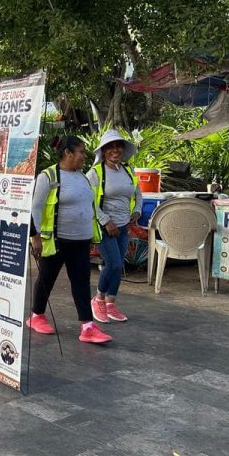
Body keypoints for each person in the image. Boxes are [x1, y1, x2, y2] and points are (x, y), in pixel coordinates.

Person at [28, 136, 112, 344]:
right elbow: (35, 208)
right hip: (57, 240)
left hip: (81, 241)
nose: (84, 156)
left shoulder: (83, 177)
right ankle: (37, 315)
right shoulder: (48, 176)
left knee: (81, 282)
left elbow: (89, 205)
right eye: (81, 152)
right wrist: (35, 237)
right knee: (47, 278)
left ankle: (87, 327)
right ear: (68, 153)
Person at [86, 129, 142, 323]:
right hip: (104, 227)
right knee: (113, 263)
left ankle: (110, 303)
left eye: (118, 146)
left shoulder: (128, 170)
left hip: (124, 225)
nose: (115, 150)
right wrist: (106, 221)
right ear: (103, 151)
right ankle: (98, 299)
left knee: (119, 266)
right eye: (110, 147)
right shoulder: (95, 173)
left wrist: (137, 211)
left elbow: (138, 193)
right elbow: (88, 200)